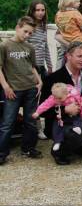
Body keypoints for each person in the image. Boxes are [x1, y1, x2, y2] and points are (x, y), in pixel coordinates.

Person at [0, 17, 44, 165]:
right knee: (8, 122)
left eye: (30, 33)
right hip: (13, 90)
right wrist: (6, 86)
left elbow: (32, 67)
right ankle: (2, 153)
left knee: (30, 121)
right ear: (18, 27)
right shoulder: (5, 46)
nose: (27, 35)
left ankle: (28, 148)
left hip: (31, 88)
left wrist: (39, 81)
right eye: (25, 31)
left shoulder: (29, 47)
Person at [41, 42, 82, 165]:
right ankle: (59, 151)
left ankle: (78, 145)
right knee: (77, 137)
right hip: (60, 123)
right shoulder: (53, 78)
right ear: (68, 56)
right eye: (79, 56)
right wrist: (65, 110)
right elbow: (44, 109)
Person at [32, 83, 82, 154]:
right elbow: (45, 105)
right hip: (61, 117)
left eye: (60, 98)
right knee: (57, 126)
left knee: (79, 120)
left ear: (66, 93)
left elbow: (80, 102)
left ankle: (77, 128)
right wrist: (37, 112)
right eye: (55, 98)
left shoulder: (73, 95)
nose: (57, 100)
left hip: (74, 115)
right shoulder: (54, 98)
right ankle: (57, 142)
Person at [26, 0, 53, 77]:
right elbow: (24, 46)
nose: (40, 13)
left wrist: (49, 65)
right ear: (32, 11)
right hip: (31, 66)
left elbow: (46, 46)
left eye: (43, 10)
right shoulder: (27, 26)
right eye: (37, 10)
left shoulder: (43, 26)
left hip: (41, 65)